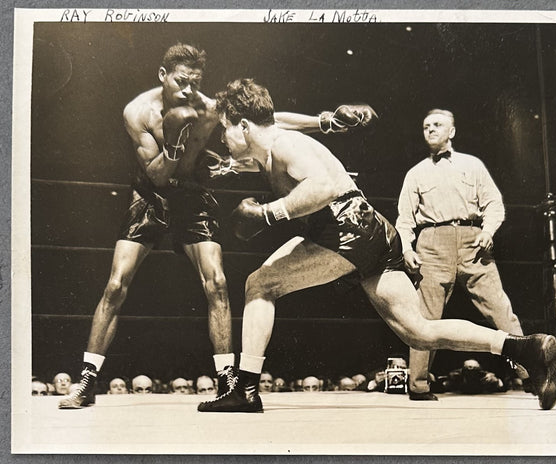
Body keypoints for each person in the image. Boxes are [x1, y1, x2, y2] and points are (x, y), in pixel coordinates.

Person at [196, 79, 556, 413]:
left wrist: (268, 214)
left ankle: (244, 389)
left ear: (243, 125)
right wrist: (232, 167)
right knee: (418, 331)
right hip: (371, 232)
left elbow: (322, 187)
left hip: (345, 230)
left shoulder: (286, 145)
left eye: (226, 129)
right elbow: (276, 126)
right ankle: (525, 347)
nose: (222, 138)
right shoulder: (273, 139)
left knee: (260, 284)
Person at [58, 43, 376, 410]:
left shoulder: (206, 108)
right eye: (181, 81)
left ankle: (228, 382)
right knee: (116, 284)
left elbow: (266, 123)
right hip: (151, 196)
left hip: (193, 195)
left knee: (219, 283)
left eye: (195, 82)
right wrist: (174, 149)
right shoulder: (137, 112)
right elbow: (156, 176)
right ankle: (86, 381)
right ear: (163, 76)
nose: (188, 90)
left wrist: (323, 122)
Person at [395, 108, 528, 401]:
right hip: (431, 243)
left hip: (473, 243)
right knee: (424, 317)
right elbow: (404, 218)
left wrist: (488, 231)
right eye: (426, 125)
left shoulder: (473, 165)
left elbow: (494, 204)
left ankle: (531, 375)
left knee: (500, 309)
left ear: (452, 132)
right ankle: (418, 386)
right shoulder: (415, 173)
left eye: (437, 124)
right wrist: (406, 247)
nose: (430, 129)